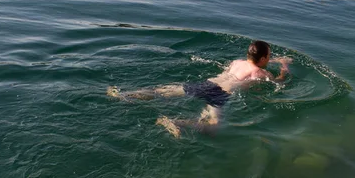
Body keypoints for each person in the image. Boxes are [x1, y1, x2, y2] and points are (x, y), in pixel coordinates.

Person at [107, 40, 292, 138]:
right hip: (219, 94)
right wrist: (284, 67)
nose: (271, 58)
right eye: (269, 56)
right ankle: (174, 122)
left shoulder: (237, 62)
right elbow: (278, 82)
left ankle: (123, 94)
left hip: (207, 83)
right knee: (212, 128)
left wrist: (272, 59)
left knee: (161, 92)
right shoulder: (260, 73)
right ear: (262, 60)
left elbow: (244, 67)